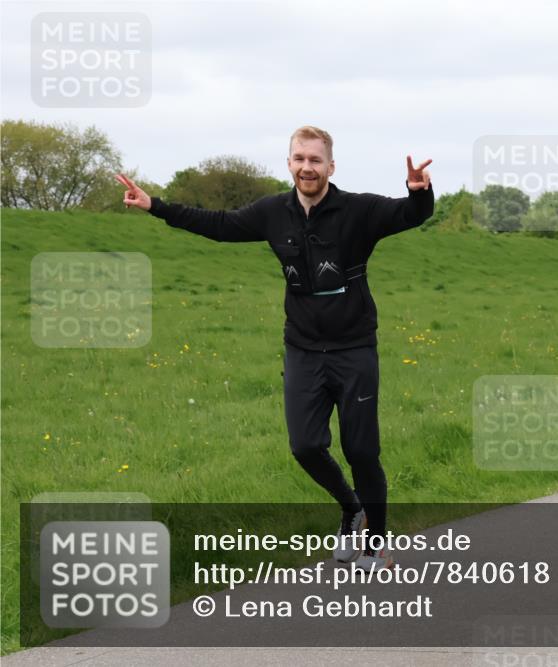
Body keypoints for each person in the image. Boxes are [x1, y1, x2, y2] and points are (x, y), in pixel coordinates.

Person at [116, 126, 434, 570]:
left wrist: (419, 192)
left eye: (316, 160)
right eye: (300, 158)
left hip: (354, 349)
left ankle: (375, 543)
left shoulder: (358, 210)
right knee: (305, 446)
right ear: (289, 164)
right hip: (303, 349)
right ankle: (351, 508)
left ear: (331, 166)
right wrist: (156, 206)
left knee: (362, 451)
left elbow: (408, 215)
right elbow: (219, 226)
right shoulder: (273, 213)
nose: (307, 167)